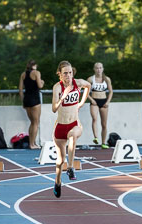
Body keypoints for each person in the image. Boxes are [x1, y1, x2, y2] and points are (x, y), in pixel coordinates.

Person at [52, 61, 91, 198]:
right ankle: (57, 181)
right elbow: (54, 109)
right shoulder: (57, 87)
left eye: (70, 73)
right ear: (60, 75)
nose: (68, 76)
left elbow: (88, 85)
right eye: (65, 73)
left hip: (74, 123)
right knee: (59, 161)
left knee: (73, 136)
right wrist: (63, 96)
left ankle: (70, 167)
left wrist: (81, 102)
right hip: (60, 127)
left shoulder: (78, 83)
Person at [19, 60, 45, 149]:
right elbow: (39, 85)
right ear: (34, 65)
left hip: (27, 99)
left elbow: (20, 89)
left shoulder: (23, 74)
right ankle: (32, 144)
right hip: (35, 99)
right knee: (36, 123)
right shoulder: (36, 73)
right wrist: (42, 82)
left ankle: (32, 142)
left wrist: (23, 101)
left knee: (32, 122)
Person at [87, 62, 113, 149]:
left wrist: (108, 102)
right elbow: (86, 92)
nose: (99, 70)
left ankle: (103, 142)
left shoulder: (107, 79)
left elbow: (111, 91)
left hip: (104, 101)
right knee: (94, 118)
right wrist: (91, 100)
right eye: (97, 68)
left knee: (104, 124)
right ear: (94, 69)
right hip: (94, 101)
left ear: (103, 69)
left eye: (100, 68)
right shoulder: (90, 79)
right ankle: (95, 137)